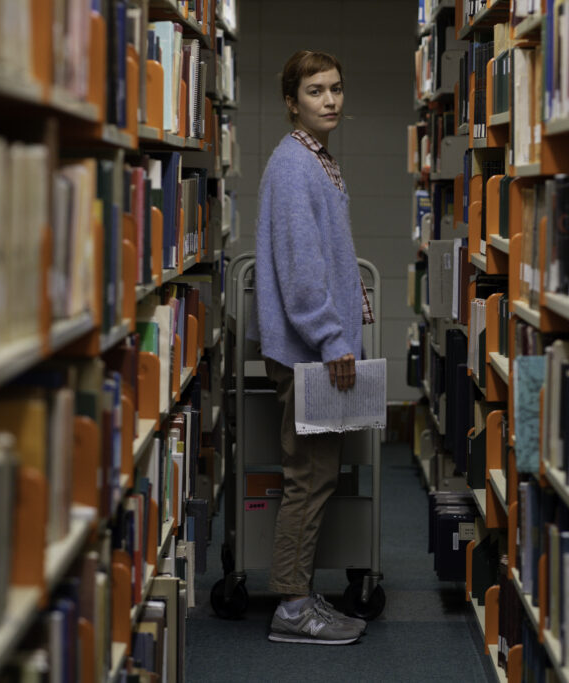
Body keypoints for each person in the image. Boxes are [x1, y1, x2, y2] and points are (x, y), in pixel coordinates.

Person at [250, 50, 374, 645]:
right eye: (316, 90)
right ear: (291, 101)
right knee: (309, 476)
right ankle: (293, 607)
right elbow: (302, 270)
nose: (330, 100)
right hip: (308, 352)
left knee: (317, 474)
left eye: (336, 88)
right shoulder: (295, 165)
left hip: (314, 350)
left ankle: (298, 594)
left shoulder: (313, 159)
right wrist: (330, 338)